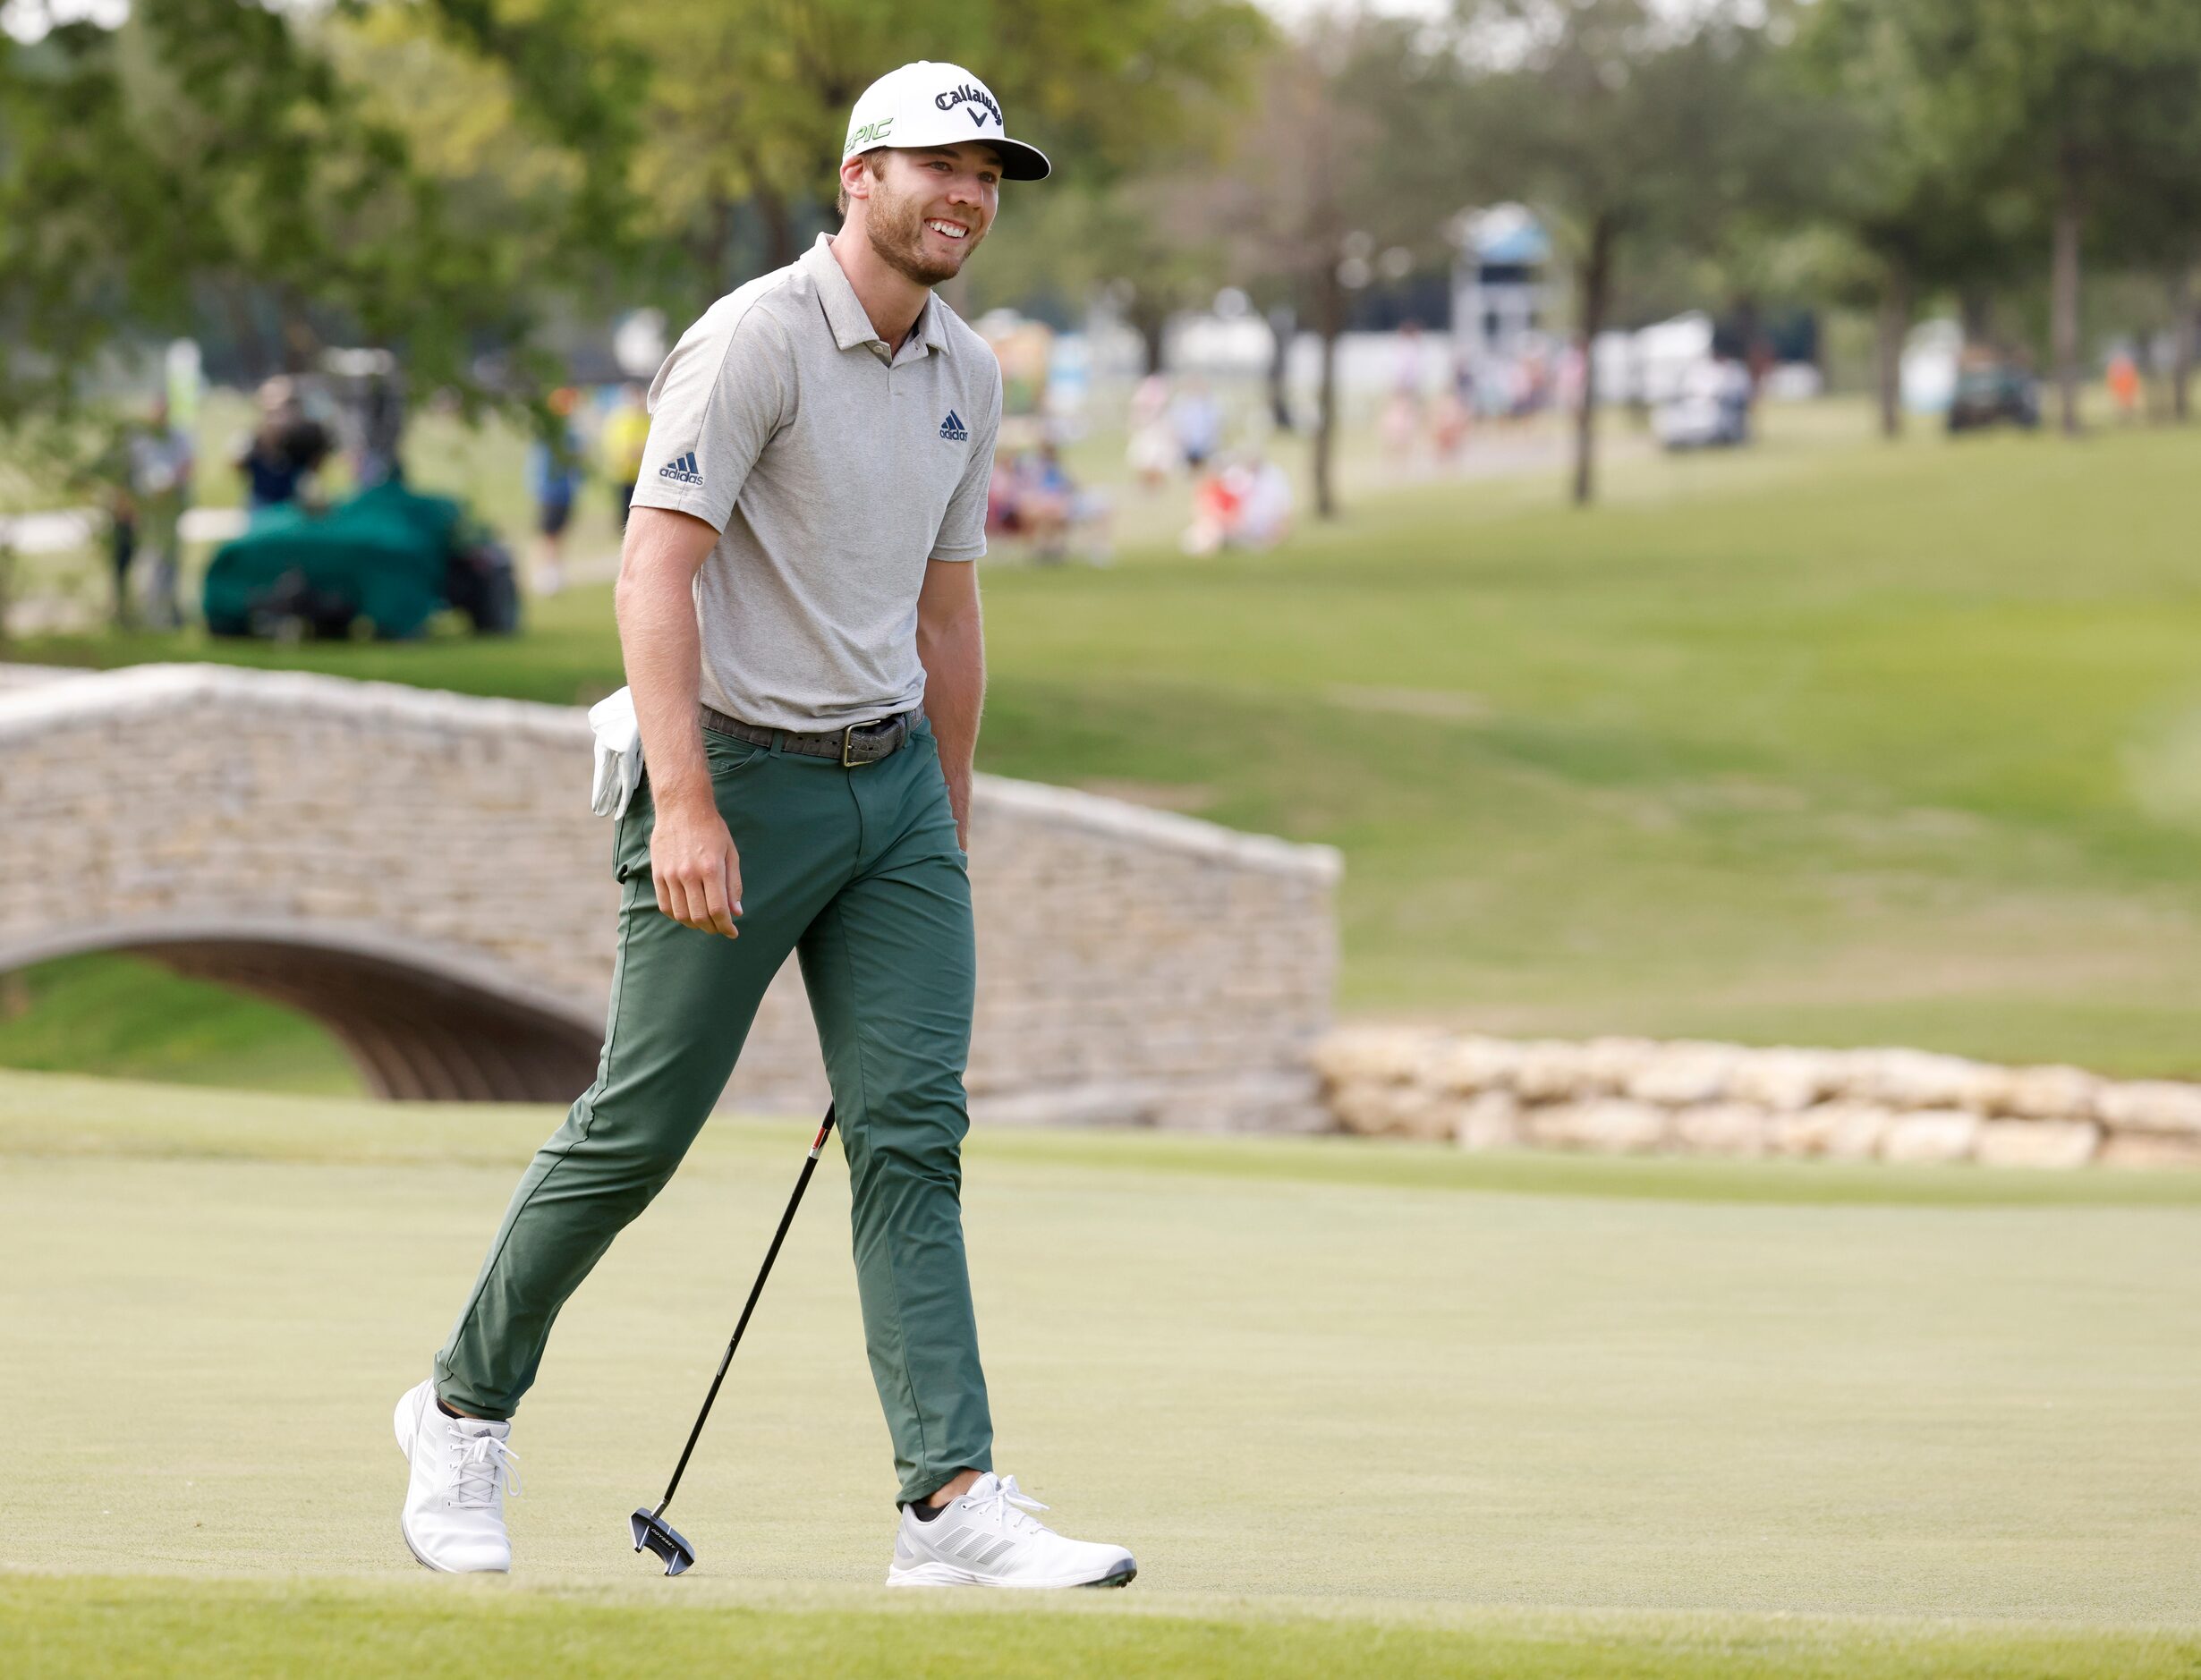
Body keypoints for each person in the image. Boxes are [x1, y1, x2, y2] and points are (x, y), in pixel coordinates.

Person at [393, 60, 1136, 1591]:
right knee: (640, 1126)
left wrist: (953, 828)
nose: (969, 197)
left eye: (990, 176)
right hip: (733, 772)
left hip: (896, 802)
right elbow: (650, 573)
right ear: (857, 176)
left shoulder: (969, 374)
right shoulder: (752, 340)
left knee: (912, 1136)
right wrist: (683, 800)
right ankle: (461, 1407)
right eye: (941, 165)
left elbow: (946, 608)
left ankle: (948, 1499)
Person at [123, 397, 194, 629]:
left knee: (170, 559)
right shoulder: (140, 439)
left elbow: (187, 465)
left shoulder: (178, 437)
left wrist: (172, 484)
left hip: (170, 507)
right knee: (150, 558)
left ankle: (169, 610)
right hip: (148, 508)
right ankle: (149, 612)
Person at [525, 387, 585, 596]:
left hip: (564, 492)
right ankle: (547, 574)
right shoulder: (550, 436)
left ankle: (554, 573)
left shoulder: (569, 435)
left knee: (558, 534)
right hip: (550, 492)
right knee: (548, 534)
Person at [601, 382, 652, 530]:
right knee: (625, 515)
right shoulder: (621, 419)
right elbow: (622, 448)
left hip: (642, 475)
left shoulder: (646, 419)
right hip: (624, 475)